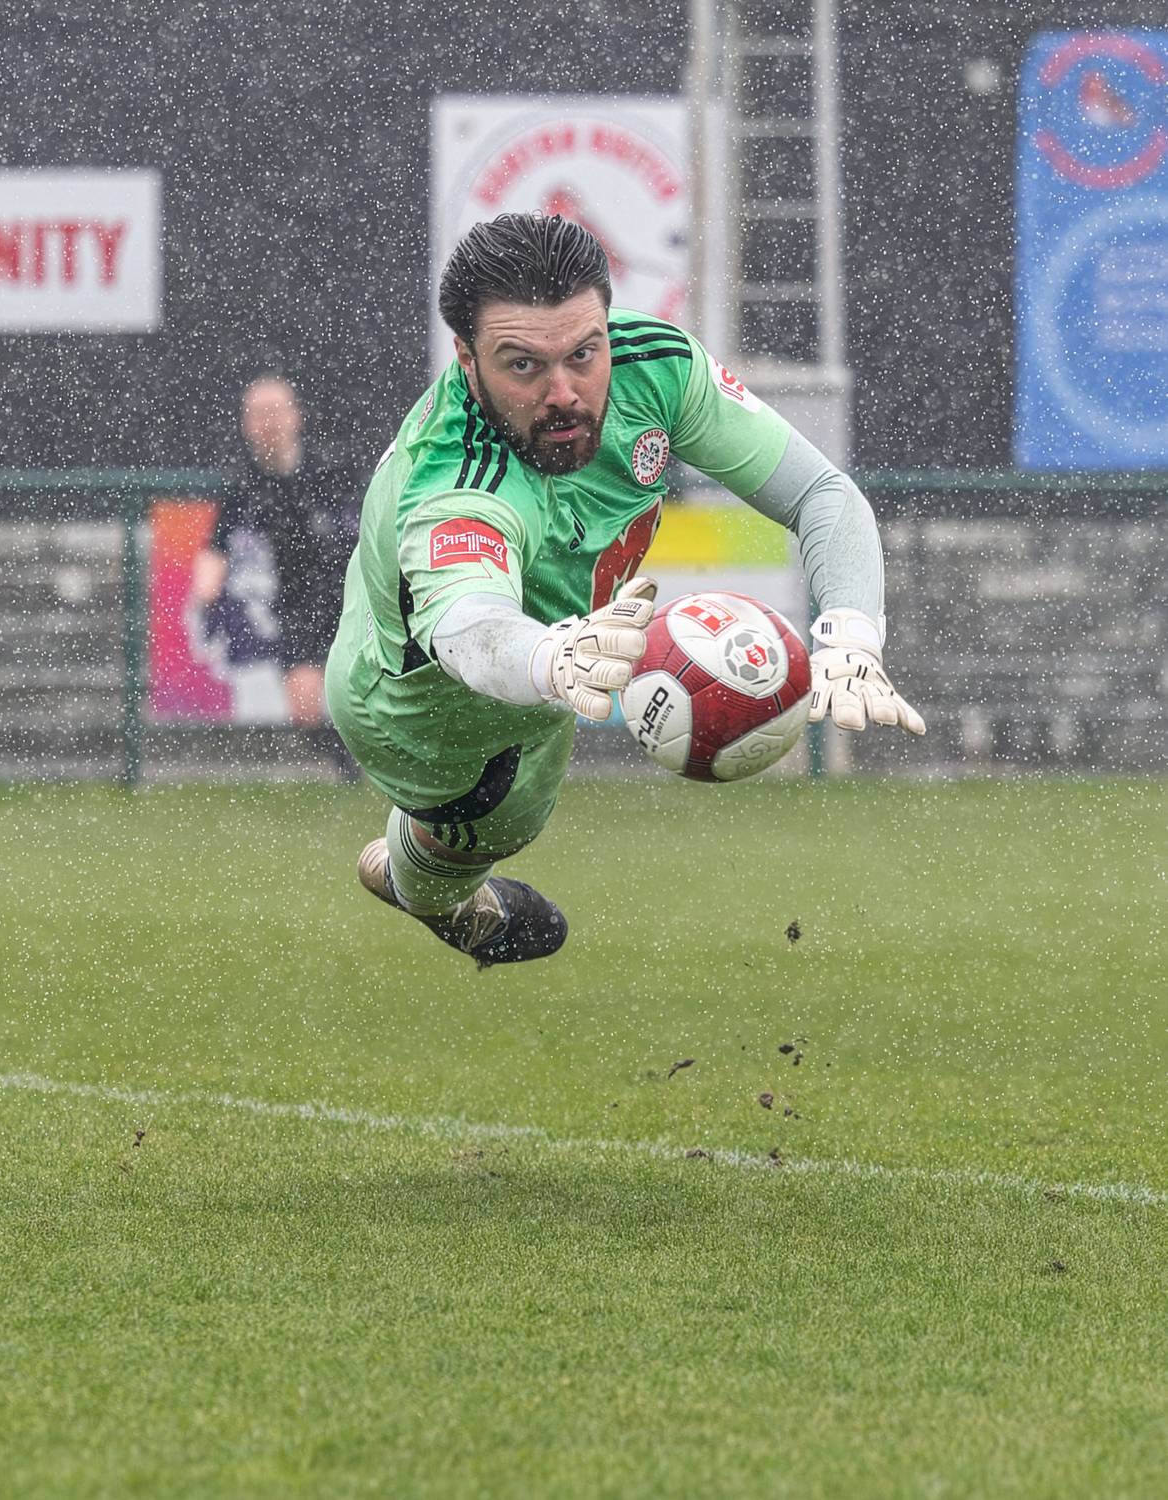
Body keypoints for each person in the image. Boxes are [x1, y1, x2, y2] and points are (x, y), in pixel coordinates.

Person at [325, 214, 924, 968]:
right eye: (522, 366)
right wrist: (550, 658)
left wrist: (849, 634)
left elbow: (824, 496)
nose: (564, 393)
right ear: (466, 361)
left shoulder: (654, 365)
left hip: (558, 650)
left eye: (585, 352)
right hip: (424, 708)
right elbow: (468, 628)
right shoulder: (452, 482)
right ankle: (419, 881)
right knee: (497, 830)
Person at [190, 375, 352, 728]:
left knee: (357, 697)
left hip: (346, 595)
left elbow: (365, 533)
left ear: (296, 417)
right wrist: (204, 593)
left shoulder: (330, 473)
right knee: (304, 697)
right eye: (259, 414)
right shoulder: (242, 489)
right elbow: (216, 549)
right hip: (291, 603)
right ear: (246, 424)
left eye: (276, 412)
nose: (269, 423)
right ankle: (337, 770)